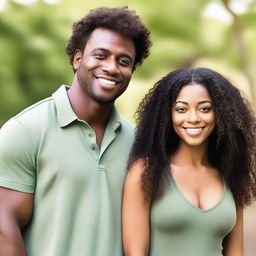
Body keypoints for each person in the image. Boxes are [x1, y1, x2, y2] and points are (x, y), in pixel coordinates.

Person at [0, 6, 151, 256]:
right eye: (101, 55)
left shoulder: (137, 142)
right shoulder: (26, 130)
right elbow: (4, 227)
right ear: (77, 58)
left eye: (124, 61)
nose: (112, 68)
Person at [122, 67, 256, 256]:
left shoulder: (230, 174)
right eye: (182, 109)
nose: (193, 118)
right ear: (167, 115)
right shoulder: (145, 171)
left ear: (220, 114)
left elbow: (236, 253)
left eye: (204, 108)